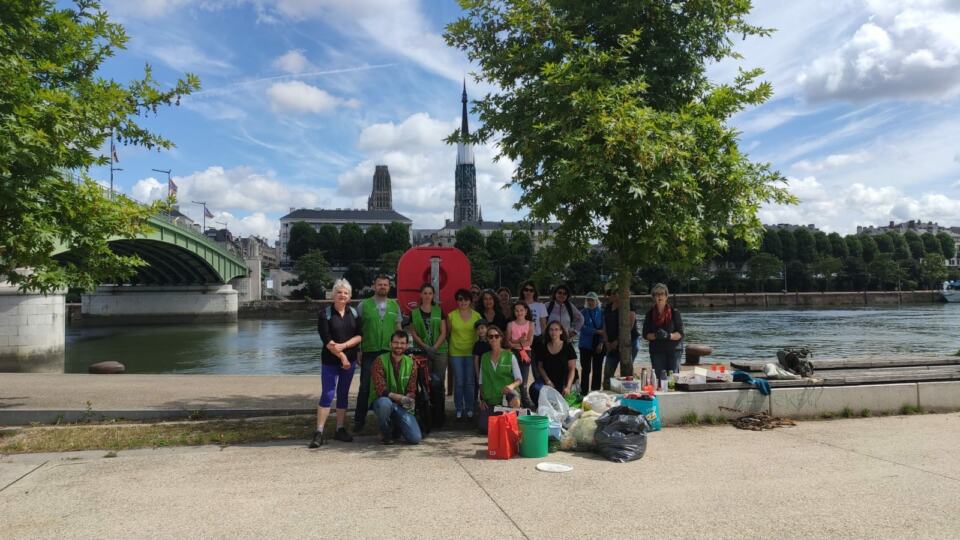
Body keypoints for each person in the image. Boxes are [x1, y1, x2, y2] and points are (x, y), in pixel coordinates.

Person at [312, 279, 362, 448]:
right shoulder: (325, 314)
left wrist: (346, 347)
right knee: (327, 393)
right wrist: (342, 357)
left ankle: (340, 428)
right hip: (330, 361)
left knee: (343, 394)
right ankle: (319, 431)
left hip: (350, 360)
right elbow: (327, 341)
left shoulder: (353, 313)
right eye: (339, 292)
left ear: (350, 296)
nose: (342, 295)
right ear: (333, 294)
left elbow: (359, 335)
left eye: (345, 293)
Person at [354, 275, 402, 432]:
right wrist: (358, 350)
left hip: (389, 352)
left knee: (390, 386)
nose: (383, 287)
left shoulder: (395, 306)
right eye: (380, 284)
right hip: (369, 350)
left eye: (385, 285)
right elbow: (357, 330)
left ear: (389, 287)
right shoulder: (363, 305)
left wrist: (401, 349)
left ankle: (391, 420)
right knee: (365, 387)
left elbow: (398, 329)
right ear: (374, 286)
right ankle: (359, 421)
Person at [369, 331, 422, 445]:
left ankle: (397, 427)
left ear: (407, 345)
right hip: (382, 401)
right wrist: (400, 398)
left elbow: (411, 389)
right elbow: (381, 389)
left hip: (400, 405)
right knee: (385, 403)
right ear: (390, 344)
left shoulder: (412, 363)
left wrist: (409, 400)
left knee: (415, 438)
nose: (399, 346)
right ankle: (385, 433)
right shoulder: (379, 360)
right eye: (396, 342)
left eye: (402, 343)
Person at [476, 326, 522, 434]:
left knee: (514, 398)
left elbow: (519, 379)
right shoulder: (484, 357)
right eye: (490, 336)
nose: (494, 339)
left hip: (507, 396)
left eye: (496, 336)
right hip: (491, 399)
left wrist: (511, 386)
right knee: (483, 428)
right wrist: (481, 399)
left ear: (501, 338)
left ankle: (512, 416)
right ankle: (500, 421)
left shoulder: (510, 355)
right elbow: (481, 381)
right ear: (487, 339)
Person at [447, 288, 480, 420]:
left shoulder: (477, 316)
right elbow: (448, 334)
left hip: (472, 353)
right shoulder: (451, 316)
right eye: (460, 299)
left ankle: (470, 407)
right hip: (456, 352)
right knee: (459, 382)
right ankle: (459, 408)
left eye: (466, 299)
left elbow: (480, 333)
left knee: (470, 382)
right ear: (457, 301)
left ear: (470, 301)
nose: (463, 302)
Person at [407, 283, 448, 389]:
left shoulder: (439, 311)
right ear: (420, 295)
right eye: (425, 293)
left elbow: (443, 332)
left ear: (433, 295)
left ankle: (439, 405)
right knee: (424, 381)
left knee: (439, 381)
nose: (427, 296)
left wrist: (434, 348)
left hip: (439, 351)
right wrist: (425, 347)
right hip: (422, 352)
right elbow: (414, 333)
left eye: (430, 293)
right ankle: (427, 405)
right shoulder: (414, 313)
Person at [642, 283, 684, 384]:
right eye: (657, 294)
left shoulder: (675, 313)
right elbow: (645, 334)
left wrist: (668, 335)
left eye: (662, 294)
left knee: (672, 381)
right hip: (657, 351)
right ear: (653, 297)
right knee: (660, 381)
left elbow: (680, 333)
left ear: (666, 296)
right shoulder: (649, 314)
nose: (659, 296)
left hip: (674, 351)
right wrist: (656, 335)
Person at [602, 282, 639, 390]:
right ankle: (607, 391)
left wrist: (618, 341)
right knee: (608, 373)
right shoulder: (608, 307)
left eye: (613, 293)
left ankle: (628, 392)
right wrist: (607, 342)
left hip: (628, 342)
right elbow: (604, 326)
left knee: (627, 371)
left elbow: (630, 324)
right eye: (608, 294)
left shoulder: (628, 305)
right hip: (611, 344)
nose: (611, 296)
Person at [531, 321, 578, 405]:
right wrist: (548, 381)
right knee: (534, 388)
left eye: (556, 329)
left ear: (561, 331)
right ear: (548, 332)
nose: (554, 332)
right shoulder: (543, 346)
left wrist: (568, 386)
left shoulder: (568, 346)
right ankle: (543, 406)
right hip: (549, 379)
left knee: (566, 401)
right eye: (551, 330)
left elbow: (572, 369)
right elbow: (540, 367)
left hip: (565, 380)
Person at [505, 301, 535, 409]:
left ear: (526, 311)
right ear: (514, 312)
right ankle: (516, 401)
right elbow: (508, 342)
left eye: (521, 310)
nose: (519, 313)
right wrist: (519, 341)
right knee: (514, 378)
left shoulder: (530, 324)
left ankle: (525, 400)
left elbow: (529, 342)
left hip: (525, 352)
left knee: (524, 380)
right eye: (517, 310)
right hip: (513, 353)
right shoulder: (510, 324)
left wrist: (515, 342)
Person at [518, 280, 548, 382]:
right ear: (523, 291)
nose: (528, 292)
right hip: (523, 342)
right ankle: (523, 395)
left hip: (537, 340)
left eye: (531, 290)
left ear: (534, 292)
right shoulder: (518, 305)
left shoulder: (540, 306)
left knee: (537, 369)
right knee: (523, 368)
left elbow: (543, 325)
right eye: (526, 290)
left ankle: (539, 392)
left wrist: (545, 341)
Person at [578, 291, 605, 394]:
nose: (590, 302)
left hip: (598, 343)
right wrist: (596, 331)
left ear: (597, 301)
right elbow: (582, 327)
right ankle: (584, 392)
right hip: (585, 345)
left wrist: (601, 343)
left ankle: (595, 391)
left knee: (597, 370)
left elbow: (604, 329)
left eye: (592, 300)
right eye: (588, 300)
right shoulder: (582, 313)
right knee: (585, 370)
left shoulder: (601, 313)